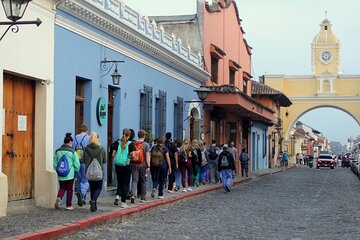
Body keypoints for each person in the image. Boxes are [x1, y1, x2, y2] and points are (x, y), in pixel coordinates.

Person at [54, 133, 80, 210]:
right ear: (70, 142)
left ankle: (59, 197)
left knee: (62, 187)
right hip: (70, 174)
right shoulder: (72, 152)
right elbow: (77, 164)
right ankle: (68, 205)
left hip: (60, 173)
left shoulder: (57, 151)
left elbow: (55, 163)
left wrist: (58, 169)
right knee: (69, 189)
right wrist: (76, 170)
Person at [84, 132, 106, 212]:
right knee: (99, 188)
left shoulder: (86, 148)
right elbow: (105, 160)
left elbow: (83, 160)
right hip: (99, 171)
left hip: (89, 172)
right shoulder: (101, 148)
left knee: (92, 188)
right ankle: (93, 201)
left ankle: (93, 206)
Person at [129, 129, 151, 203]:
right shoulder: (146, 145)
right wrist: (148, 166)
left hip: (134, 164)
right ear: (144, 136)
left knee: (134, 180)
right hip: (143, 165)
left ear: (138, 135)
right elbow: (147, 156)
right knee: (143, 181)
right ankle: (143, 197)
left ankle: (133, 195)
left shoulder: (133, 143)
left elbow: (130, 155)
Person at [113, 129, 132, 208]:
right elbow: (133, 155)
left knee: (119, 181)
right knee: (125, 183)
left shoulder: (117, 143)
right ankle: (123, 202)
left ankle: (117, 195)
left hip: (118, 165)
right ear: (129, 135)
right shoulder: (130, 144)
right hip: (126, 165)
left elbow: (113, 154)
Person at [72, 124, 90, 207]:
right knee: (85, 180)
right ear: (86, 130)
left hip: (76, 161)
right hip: (84, 161)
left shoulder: (75, 137)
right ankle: (83, 197)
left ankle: (79, 192)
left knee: (79, 180)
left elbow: (72, 149)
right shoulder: (88, 138)